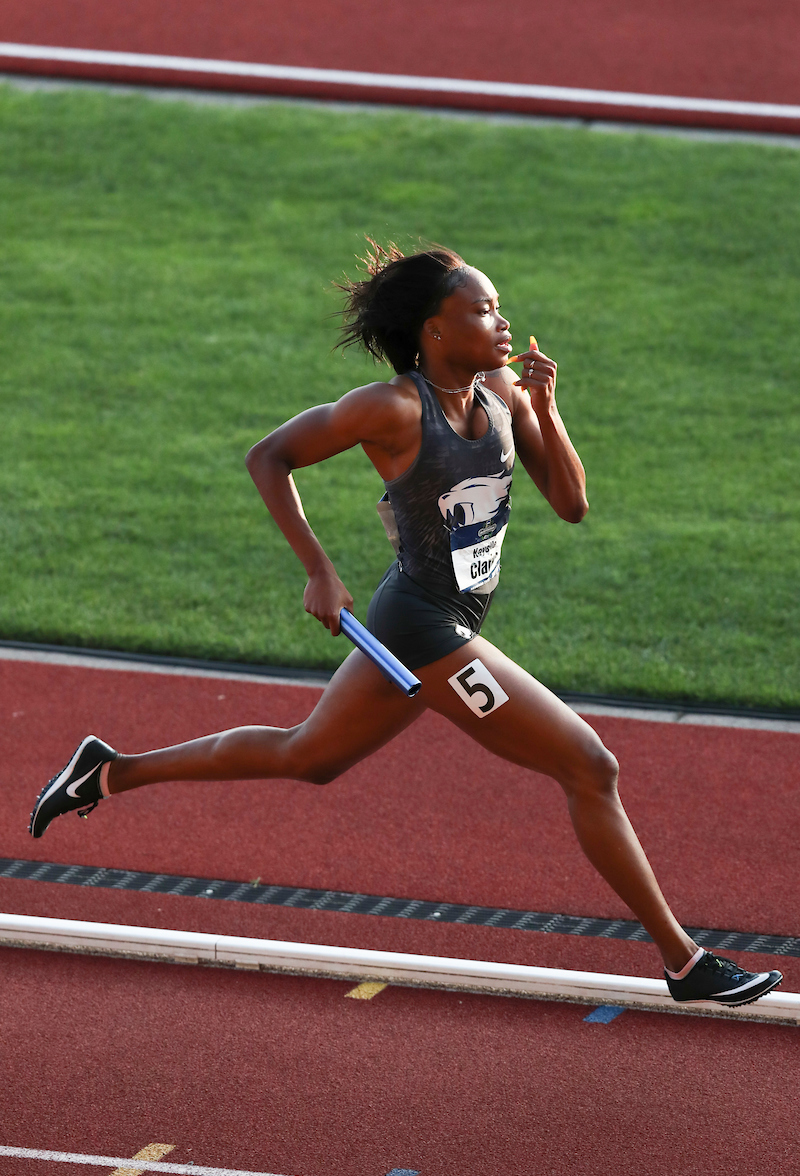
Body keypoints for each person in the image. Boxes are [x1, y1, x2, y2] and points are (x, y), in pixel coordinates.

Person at [30, 241, 780, 1008]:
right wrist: (319, 568)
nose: (501, 321)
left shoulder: (500, 393)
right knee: (591, 766)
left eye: (497, 306)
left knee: (308, 756)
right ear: (433, 331)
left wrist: (547, 413)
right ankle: (685, 962)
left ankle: (109, 770)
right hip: (425, 628)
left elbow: (572, 503)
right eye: (482, 310)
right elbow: (270, 457)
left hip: (426, 620)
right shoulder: (390, 409)